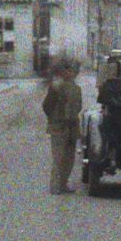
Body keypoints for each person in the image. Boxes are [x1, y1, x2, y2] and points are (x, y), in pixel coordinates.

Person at [41, 60, 83, 194]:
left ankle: (63, 184)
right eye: (69, 70)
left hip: (72, 127)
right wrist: (55, 119)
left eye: (74, 71)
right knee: (58, 157)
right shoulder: (56, 87)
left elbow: (79, 107)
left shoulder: (77, 89)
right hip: (59, 126)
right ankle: (55, 186)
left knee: (69, 158)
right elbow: (47, 106)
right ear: (64, 72)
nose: (72, 73)